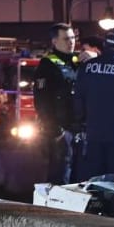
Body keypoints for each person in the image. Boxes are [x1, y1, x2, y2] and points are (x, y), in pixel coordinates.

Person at [71, 27, 114, 218]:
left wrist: (80, 126)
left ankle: (91, 224)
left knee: (92, 187)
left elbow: (78, 101)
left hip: (92, 137)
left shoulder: (87, 67)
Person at [30, 23, 80, 186]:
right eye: (66, 39)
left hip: (75, 128)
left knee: (75, 177)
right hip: (60, 131)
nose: (71, 42)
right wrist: (56, 131)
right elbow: (41, 102)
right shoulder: (47, 66)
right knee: (59, 176)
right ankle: (54, 209)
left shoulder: (75, 61)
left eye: (72, 38)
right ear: (54, 41)